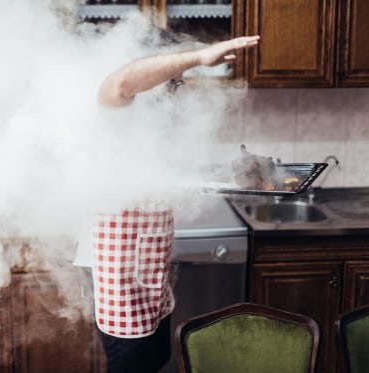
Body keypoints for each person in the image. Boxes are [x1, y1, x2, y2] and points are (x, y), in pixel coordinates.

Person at [92, 35, 260, 373]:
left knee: (157, 362)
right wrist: (198, 56)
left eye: (177, 84)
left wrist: (229, 175)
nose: (174, 93)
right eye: (171, 82)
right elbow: (121, 81)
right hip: (124, 294)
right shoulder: (117, 114)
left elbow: (170, 176)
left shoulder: (152, 129)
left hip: (151, 285)